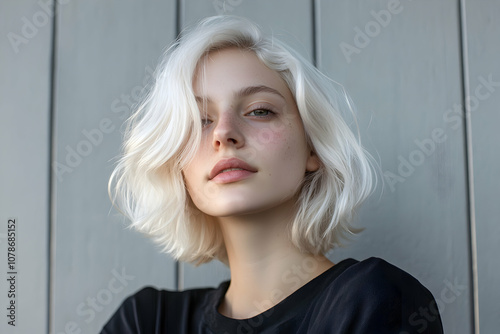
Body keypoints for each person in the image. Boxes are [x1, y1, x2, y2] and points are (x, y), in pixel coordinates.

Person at [102, 15, 443, 334]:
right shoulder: (148, 321)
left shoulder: (374, 300)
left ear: (313, 148)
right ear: (178, 163)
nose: (224, 133)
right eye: (199, 121)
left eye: (259, 111)